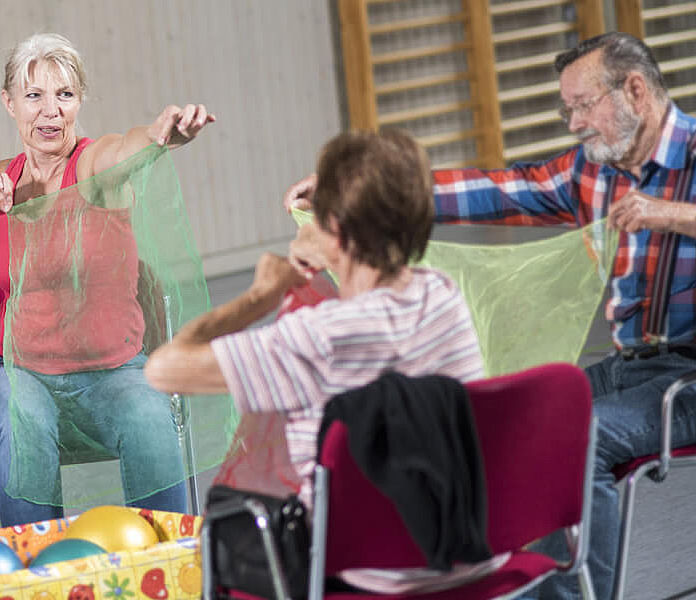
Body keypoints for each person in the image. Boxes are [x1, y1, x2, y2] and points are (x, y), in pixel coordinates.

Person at [285, 32, 696, 600]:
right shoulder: (593, 172)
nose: (573, 123)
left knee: (580, 437)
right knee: (508, 421)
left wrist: (681, 216)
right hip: (631, 367)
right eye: (567, 109)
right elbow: (500, 191)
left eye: (583, 105)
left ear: (634, 91)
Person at [0, 33, 213, 526]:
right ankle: (41, 570)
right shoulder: (1, 179)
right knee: (25, 419)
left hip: (112, 369)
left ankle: (171, 562)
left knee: (149, 418)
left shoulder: (96, 167)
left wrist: (161, 136)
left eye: (65, 95)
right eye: (34, 96)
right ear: (9, 103)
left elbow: (128, 148)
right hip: (14, 371)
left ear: (80, 102)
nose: (50, 112)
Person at [147, 129, 497, 594]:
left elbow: (163, 369)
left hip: (372, 568)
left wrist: (261, 295)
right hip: (471, 546)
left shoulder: (317, 338)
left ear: (336, 230)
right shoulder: (444, 297)